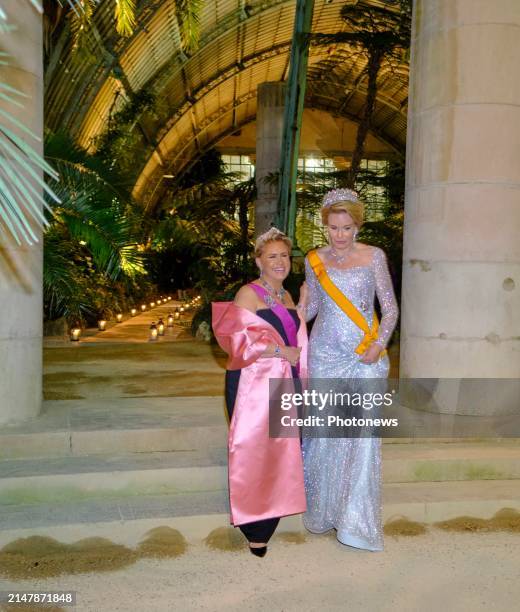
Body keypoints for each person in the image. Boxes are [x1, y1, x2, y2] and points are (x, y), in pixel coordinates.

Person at [299, 188, 399, 551]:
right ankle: (325, 511)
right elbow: (310, 312)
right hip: (325, 354)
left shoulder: (374, 256)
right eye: (333, 228)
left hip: (365, 356)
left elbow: (389, 309)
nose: (339, 236)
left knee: (363, 439)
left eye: (346, 228)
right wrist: (299, 305)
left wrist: (378, 344)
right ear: (324, 226)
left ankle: (355, 523)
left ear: (358, 226)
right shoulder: (313, 261)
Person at [212, 227, 308, 557]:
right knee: (257, 453)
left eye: (284, 255)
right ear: (258, 261)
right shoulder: (248, 294)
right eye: (272, 256)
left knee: (280, 452)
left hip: (282, 382)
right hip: (252, 385)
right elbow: (237, 343)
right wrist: (282, 353)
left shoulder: (286, 296)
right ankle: (255, 527)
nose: (280, 262)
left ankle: (271, 516)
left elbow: (293, 335)